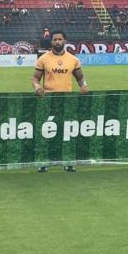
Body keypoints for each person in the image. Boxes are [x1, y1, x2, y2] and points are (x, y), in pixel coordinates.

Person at [32, 30, 89, 173]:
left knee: (67, 132)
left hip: (67, 100)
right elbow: (35, 79)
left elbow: (80, 77)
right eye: (55, 39)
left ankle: (68, 162)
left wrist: (84, 85)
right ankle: (44, 162)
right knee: (47, 131)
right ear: (51, 42)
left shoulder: (73, 59)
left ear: (65, 41)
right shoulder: (43, 59)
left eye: (60, 39)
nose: (57, 42)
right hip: (48, 101)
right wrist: (38, 87)